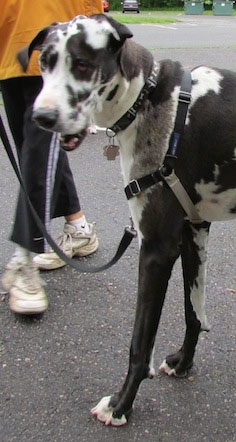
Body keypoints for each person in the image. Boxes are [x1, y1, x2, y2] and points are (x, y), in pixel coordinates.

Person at [0, 0, 104, 315]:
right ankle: (80, 230)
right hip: (10, 47)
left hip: (55, 46)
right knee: (38, 155)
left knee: (37, 159)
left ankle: (24, 260)